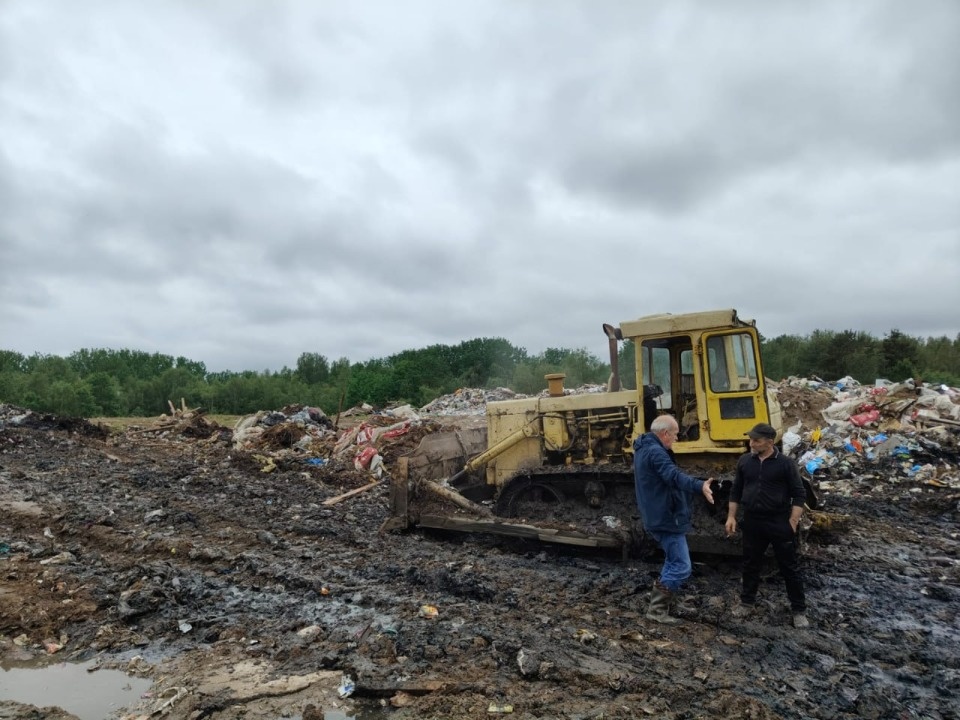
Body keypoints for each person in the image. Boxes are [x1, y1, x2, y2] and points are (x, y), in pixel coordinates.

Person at [725, 422, 810, 628]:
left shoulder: (785, 464)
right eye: (751, 439)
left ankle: (799, 610)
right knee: (750, 563)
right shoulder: (745, 461)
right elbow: (736, 490)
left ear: (770, 442)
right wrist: (731, 517)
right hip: (753, 521)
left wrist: (792, 521)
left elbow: (799, 494)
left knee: (789, 566)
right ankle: (747, 603)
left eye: (756, 440)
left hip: (779, 521)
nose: (751, 443)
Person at [633, 414, 715, 625]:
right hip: (666, 517)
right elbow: (673, 476)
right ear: (665, 433)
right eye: (676, 434)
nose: (677, 438)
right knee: (681, 565)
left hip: (659, 513)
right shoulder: (656, 452)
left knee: (673, 560)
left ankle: (662, 602)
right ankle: (657, 610)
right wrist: (699, 486)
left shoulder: (645, 449)